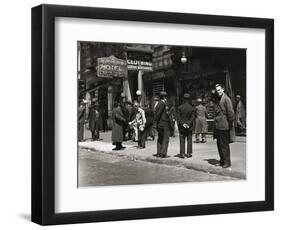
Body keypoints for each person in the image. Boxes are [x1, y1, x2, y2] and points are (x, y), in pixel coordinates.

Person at [213, 84, 235, 168]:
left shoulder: (226, 99)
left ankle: (227, 162)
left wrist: (229, 124)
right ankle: (222, 160)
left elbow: (231, 113)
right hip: (218, 126)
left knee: (224, 145)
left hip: (224, 125)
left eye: (219, 90)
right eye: (217, 90)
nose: (217, 91)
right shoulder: (219, 98)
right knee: (219, 144)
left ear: (223, 90)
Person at [176, 93, 195, 158]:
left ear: (183, 99)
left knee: (182, 139)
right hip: (189, 127)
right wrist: (188, 124)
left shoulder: (180, 107)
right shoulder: (192, 108)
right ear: (189, 99)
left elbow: (178, 118)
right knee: (189, 139)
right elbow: (192, 117)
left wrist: (183, 124)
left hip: (182, 127)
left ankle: (182, 153)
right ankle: (189, 153)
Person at [153, 91, 170, 158]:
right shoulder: (162, 103)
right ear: (164, 97)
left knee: (160, 138)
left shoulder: (158, 103)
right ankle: (163, 153)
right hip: (163, 123)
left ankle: (158, 152)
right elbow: (158, 114)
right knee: (165, 138)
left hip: (159, 124)